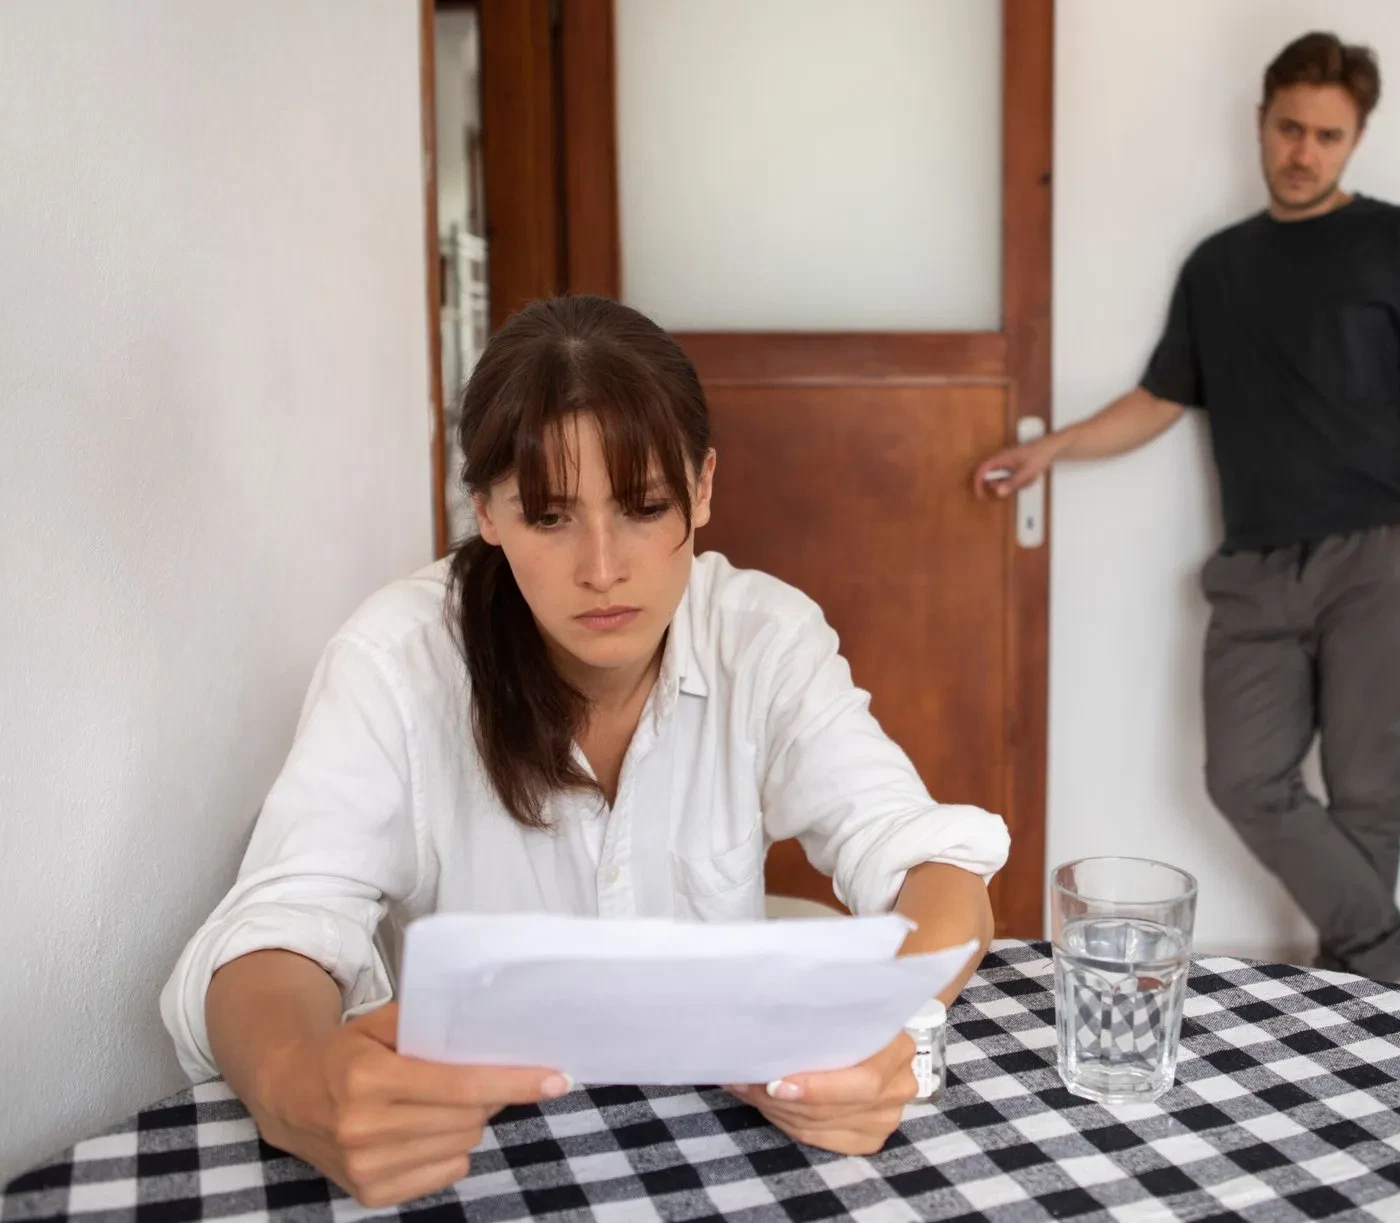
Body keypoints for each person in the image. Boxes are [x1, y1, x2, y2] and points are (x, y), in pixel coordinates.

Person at [163, 295, 1009, 1208]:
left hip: (722, 1149)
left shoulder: (762, 638)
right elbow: (276, 932)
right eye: (549, 515)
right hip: (472, 1158)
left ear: (706, 486)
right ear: (486, 509)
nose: (602, 567)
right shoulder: (397, 663)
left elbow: (931, 865)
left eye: (645, 506)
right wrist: (301, 1084)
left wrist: (878, 1029)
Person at [975, 33, 1400, 994]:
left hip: (1378, 553)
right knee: (1243, 776)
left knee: (1369, 790)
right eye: (1290, 128)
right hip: (1254, 567)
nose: (1304, 151)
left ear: (1355, 138)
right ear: (1261, 122)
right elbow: (1162, 398)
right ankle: (1397, 967)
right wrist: (1053, 447)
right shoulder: (1220, 265)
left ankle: (1360, 996)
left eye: (1328, 135)